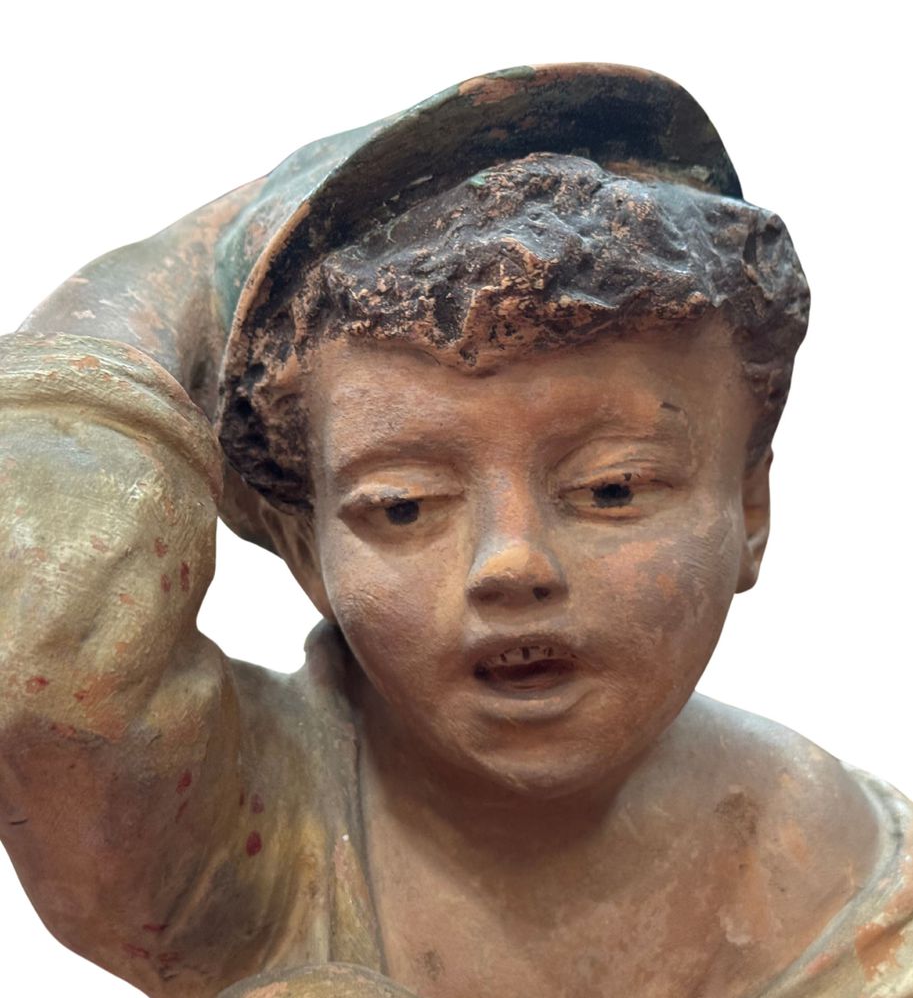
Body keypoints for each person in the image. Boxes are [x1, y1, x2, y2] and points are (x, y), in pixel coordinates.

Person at [1, 63, 911, 998]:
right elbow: (38, 656)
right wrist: (218, 248)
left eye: (610, 489)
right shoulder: (240, 842)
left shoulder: (864, 903)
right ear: (307, 550)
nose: (511, 562)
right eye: (402, 506)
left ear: (750, 509)